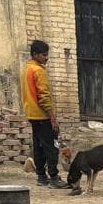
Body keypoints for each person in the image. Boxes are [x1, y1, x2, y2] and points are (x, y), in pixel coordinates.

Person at [22, 41, 64, 188]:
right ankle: (54, 177)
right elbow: (44, 96)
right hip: (42, 115)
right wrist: (52, 117)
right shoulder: (39, 71)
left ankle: (41, 176)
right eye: (44, 55)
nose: (47, 58)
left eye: (47, 55)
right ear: (35, 54)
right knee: (52, 147)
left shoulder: (27, 69)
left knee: (38, 147)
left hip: (32, 115)